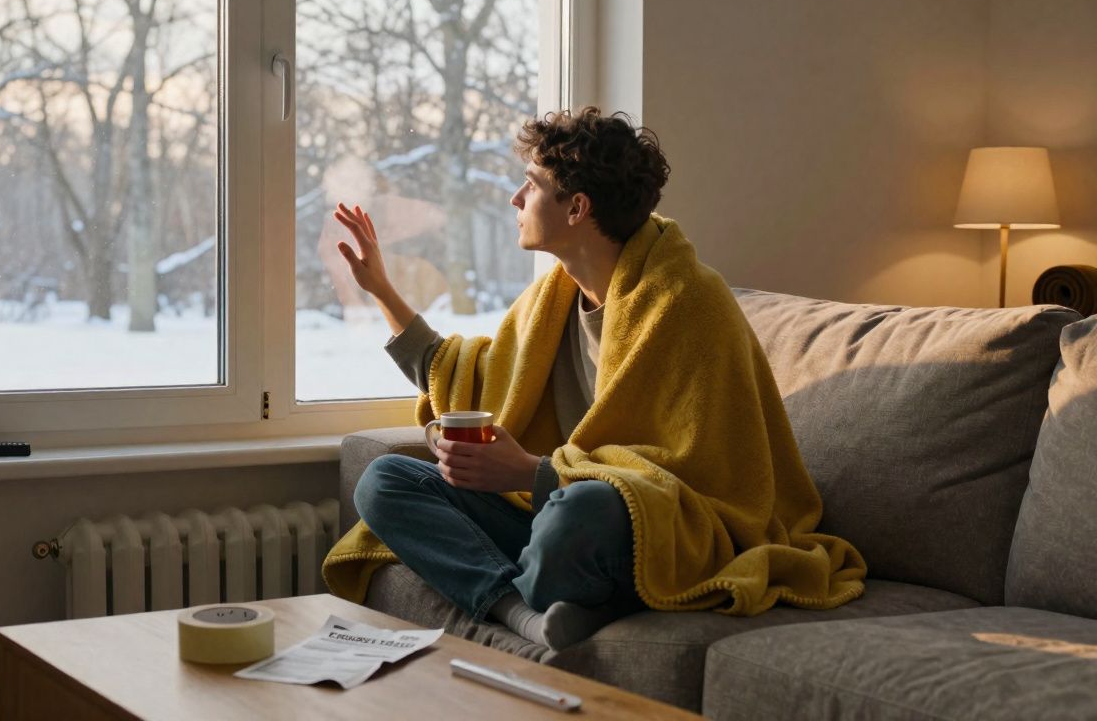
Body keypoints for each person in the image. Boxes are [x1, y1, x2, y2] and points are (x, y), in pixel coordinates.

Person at [321, 107, 866, 650]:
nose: (514, 199)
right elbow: (466, 376)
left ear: (577, 207)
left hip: (648, 527)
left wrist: (532, 472)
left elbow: (698, 475)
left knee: (582, 512)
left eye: (530, 186)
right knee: (385, 479)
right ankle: (520, 609)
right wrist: (380, 287)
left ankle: (533, 577)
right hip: (551, 517)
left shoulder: (689, 303)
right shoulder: (548, 301)